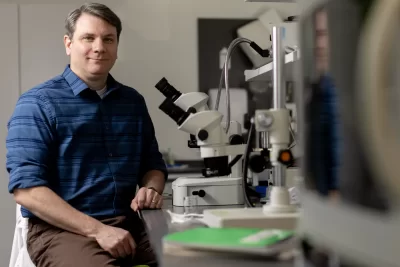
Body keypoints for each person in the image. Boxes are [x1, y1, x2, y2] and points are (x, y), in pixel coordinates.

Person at [6, 3, 167, 267]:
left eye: (108, 39)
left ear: (116, 46)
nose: (99, 47)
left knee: (198, 258)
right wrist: (98, 230)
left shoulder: (132, 102)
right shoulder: (36, 103)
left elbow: (153, 165)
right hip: (61, 231)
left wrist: (151, 188)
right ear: (69, 44)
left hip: (129, 225)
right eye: (88, 38)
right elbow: (26, 191)